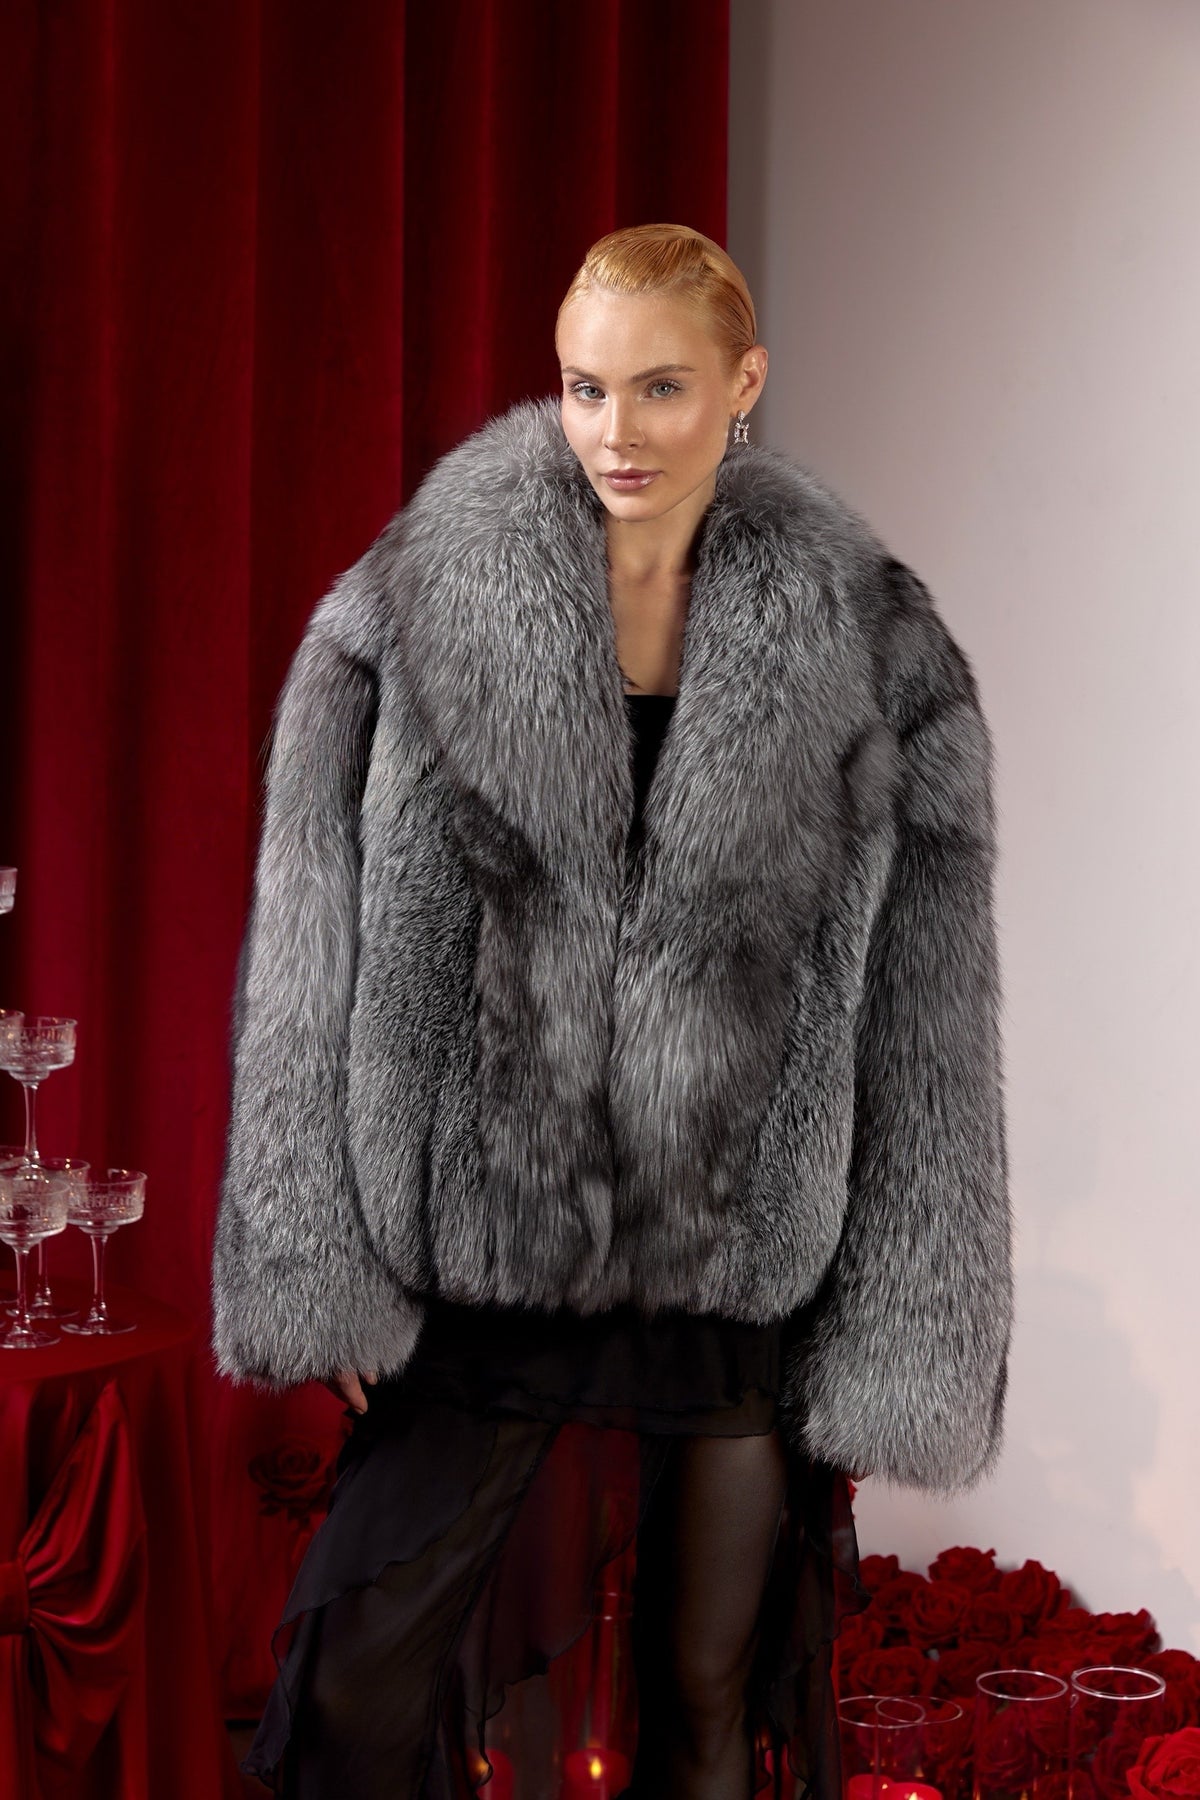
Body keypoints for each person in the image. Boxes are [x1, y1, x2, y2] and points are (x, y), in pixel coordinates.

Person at [211, 223, 1013, 1799]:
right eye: (587, 387)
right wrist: (319, 1259)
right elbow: (308, 945)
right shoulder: (414, 610)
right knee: (360, 1678)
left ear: (743, 383)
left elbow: (931, 1022)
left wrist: (897, 1321)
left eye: (661, 388)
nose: (617, 430)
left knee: (706, 1697)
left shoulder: (875, 649)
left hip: (734, 1249)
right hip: (487, 1235)